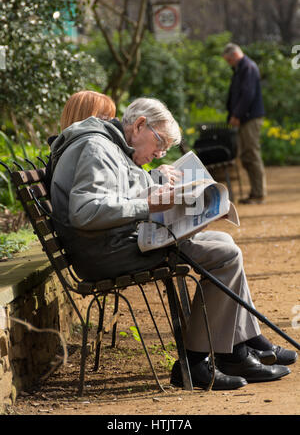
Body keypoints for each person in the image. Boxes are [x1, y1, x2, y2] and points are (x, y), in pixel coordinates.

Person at [50, 96, 297, 391]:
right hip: (108, 251)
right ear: (140, 125)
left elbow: (121, 188)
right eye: (160, 144)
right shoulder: (96, 146)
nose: (160, 153)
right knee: (224, 253)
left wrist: (162, 191)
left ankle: (237, 349)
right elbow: (84, 211)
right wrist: (150, 205)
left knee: (221, 241)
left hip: (117, 240)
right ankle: (194, 364)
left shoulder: (108, 144)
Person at [223, 43, 267, 204]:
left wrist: (237, 114)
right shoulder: (241, 68)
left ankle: (259, 193)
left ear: (234, 55)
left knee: (251, 153)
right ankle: (255, 192)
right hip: (245, 117)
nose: (229, 64)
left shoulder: (247, 67)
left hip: (250, 118)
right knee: (246, 155)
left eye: (228, 60)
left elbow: (248, 94)